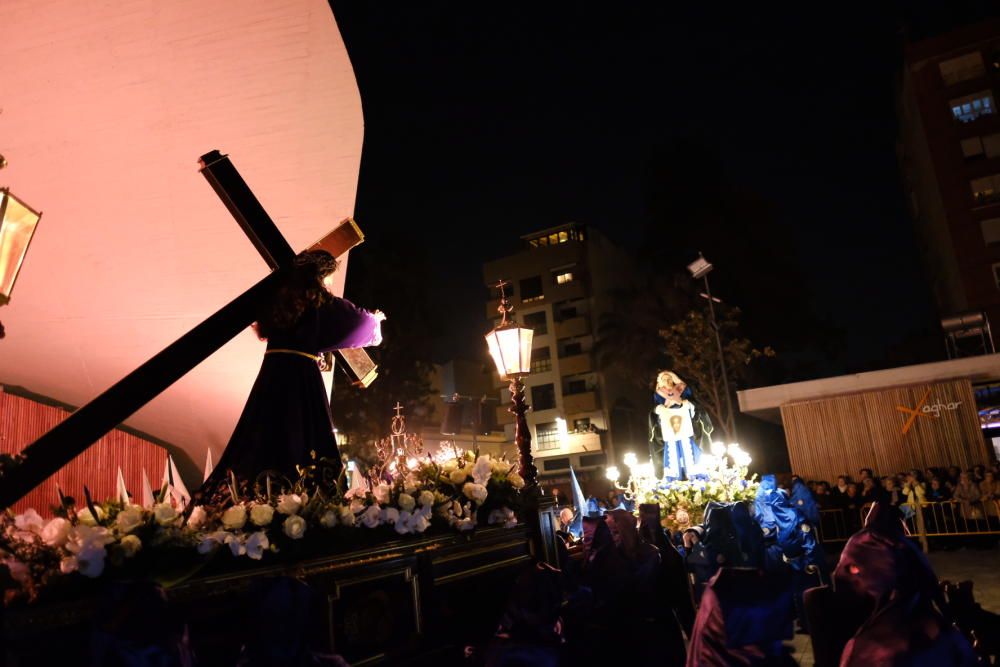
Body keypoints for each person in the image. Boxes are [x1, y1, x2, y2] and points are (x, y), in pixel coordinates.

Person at [202, 250, 384, 496]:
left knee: (263, 431)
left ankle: (254, 494)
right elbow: (359, 323)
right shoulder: (319, 300)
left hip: (272, 373)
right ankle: (306, 497)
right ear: (322, 275)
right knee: (303, 433)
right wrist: (375, 320)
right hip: (301, 377)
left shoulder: (277, 296)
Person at [648, 370, 712, 480]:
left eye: (668, 379)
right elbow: (655, 418)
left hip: (687, 432)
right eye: (663, 380)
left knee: (689, 454)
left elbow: (697, 411)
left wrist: (686, 405)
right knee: (672, 456)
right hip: (669, 434)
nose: (666, 382)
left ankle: (695, 476)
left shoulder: (683, 395)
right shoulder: (660, 401)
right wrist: (660, 411)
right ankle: (673, 477)